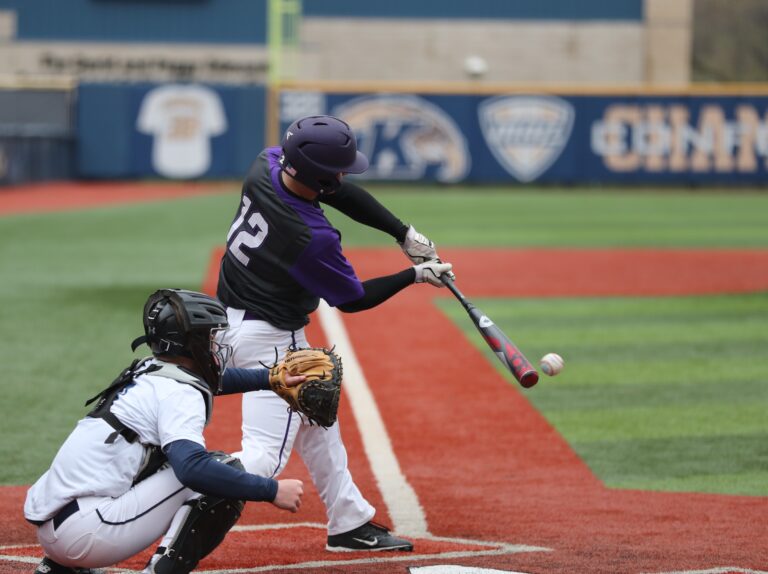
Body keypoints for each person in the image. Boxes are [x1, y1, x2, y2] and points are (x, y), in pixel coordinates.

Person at [216, 114, 453, 552]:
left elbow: (336, 189)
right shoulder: (312, 237)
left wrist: (402, 232)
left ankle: (348, 521)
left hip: (227, 321)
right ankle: (169, 487)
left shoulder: (265, 164)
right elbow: (352, 299)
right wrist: (415, 275)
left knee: (317, 419)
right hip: (271, 340)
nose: (345, 174)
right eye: (339, 169)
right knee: (263, 459)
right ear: (320, 177)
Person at [24, 289, 306, 574]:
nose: (216, 344)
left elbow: (212, 381)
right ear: (190, 343)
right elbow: (192, 469)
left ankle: (60, 568)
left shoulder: (149, 369)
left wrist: (272, 378)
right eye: (210, 337)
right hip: (87, 535)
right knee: (219, 470)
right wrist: (271, 490)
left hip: (58, 529)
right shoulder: (179, 394)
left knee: (162, 459)